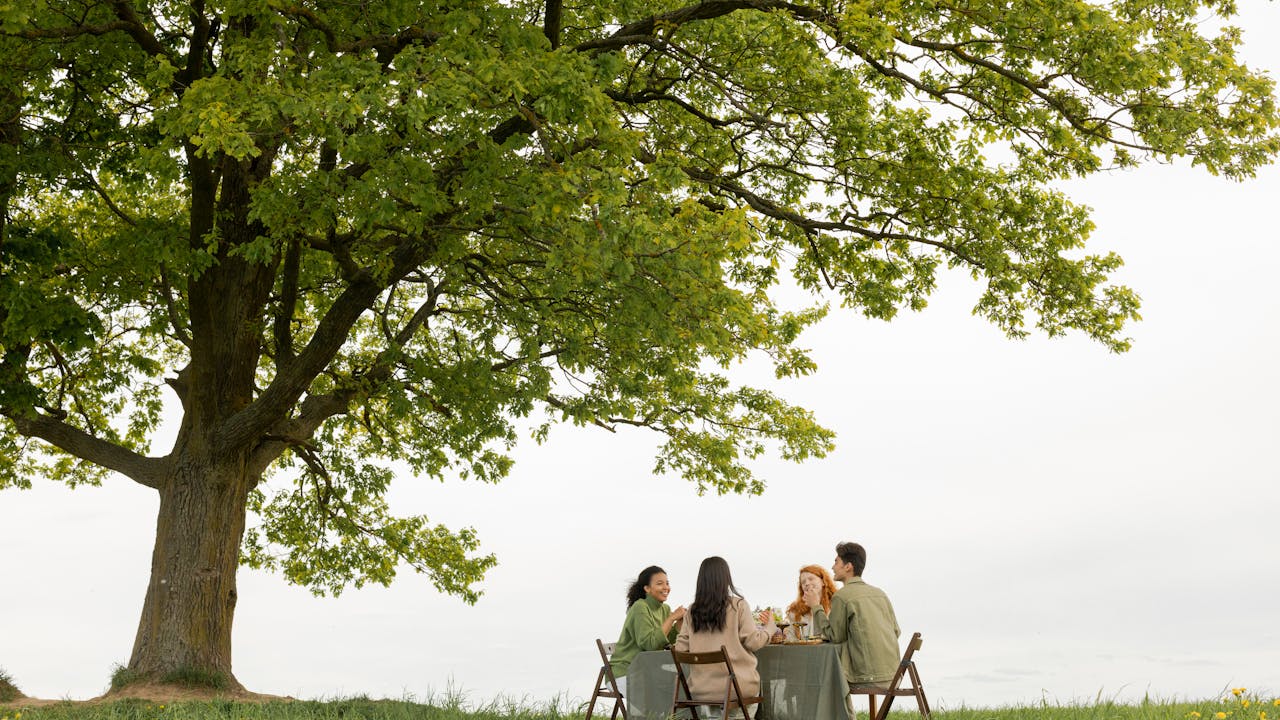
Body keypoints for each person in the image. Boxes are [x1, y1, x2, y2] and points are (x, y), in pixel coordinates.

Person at [674, 556, 774, 711]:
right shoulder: (738, 606)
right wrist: (769, 629)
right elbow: (753, 642)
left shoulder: (692, 611)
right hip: (738, 689)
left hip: (702, 690)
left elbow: (679, 649)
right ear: (726, 579)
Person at [805, 542, 901, 691]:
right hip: (894, 676)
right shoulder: (880, 594)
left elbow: (834, 636)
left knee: (817, 677)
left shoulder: (842, 596)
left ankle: (844, 715)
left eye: (836, 562)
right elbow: (896, 632)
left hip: (867, 677)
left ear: (848, 566)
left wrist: (816, 606)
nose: (832, 567)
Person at [610, 565, 686, 692]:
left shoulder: (665, 609)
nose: (666, 587)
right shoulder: (640, 607)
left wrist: (678, 625)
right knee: (671, 689)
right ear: (647, 588)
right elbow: (650, 645)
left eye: (667, 583)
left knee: (683, 683)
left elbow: (666, 642)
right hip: (626, 672)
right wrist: (671, 618)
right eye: (660, 583)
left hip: (649, 671)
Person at [784, 564, 838, 640]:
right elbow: (791, 638)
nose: (807, 583)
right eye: (803, 582)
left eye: (811, 579)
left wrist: (815, 605)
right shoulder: (795, 611)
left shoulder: (837, 604)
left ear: (823, 581)